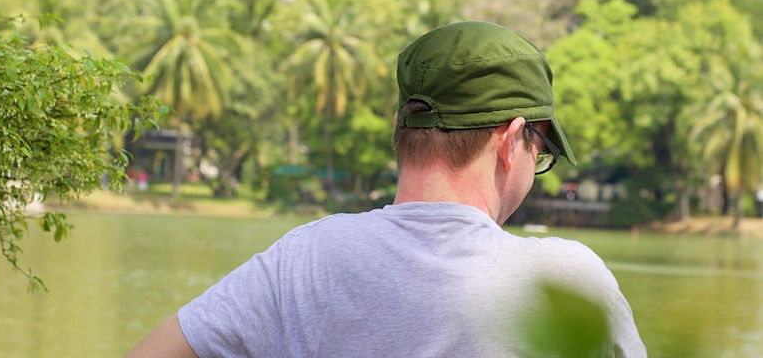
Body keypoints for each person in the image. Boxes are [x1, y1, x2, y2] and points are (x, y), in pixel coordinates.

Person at [127, 21, 646, 357]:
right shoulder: (567, 283)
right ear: (512, 141)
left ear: (401, 131)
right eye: (541, 151)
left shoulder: (303, 260)